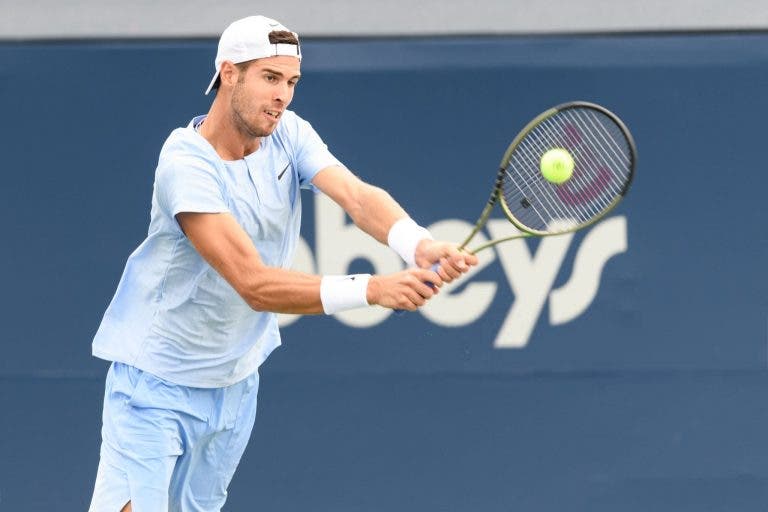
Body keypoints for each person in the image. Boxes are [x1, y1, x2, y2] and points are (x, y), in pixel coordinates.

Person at [88, 15, 478, 512]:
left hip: (234, 385)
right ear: (229, 74)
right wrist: (373, 290)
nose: (283, 96)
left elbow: (356, 197)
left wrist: (416, 243)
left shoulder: (289, 134)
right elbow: (253, 284)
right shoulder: (185, 164)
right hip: (155, 385)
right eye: (270, 79)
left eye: (291, 82)